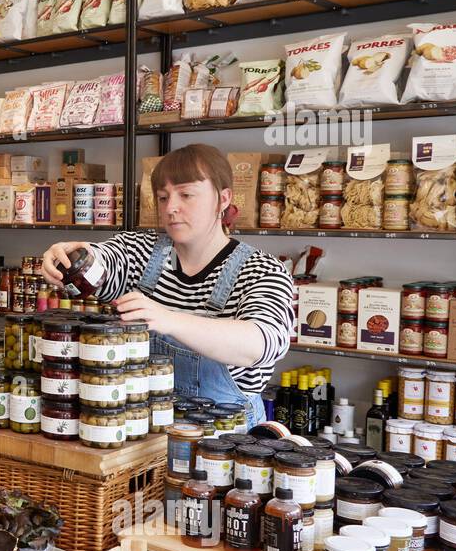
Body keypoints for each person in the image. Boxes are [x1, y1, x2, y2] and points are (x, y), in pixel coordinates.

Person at [41, 143, 294, 426]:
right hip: (143, 429)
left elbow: (260, 343)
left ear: (223, 199)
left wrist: (169, 320)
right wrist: (72, 255)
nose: (171, 208)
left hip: (223, 439)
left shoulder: (261, 270)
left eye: (186, 194)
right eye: (163, 197)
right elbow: (105, 259)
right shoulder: (141, 250)